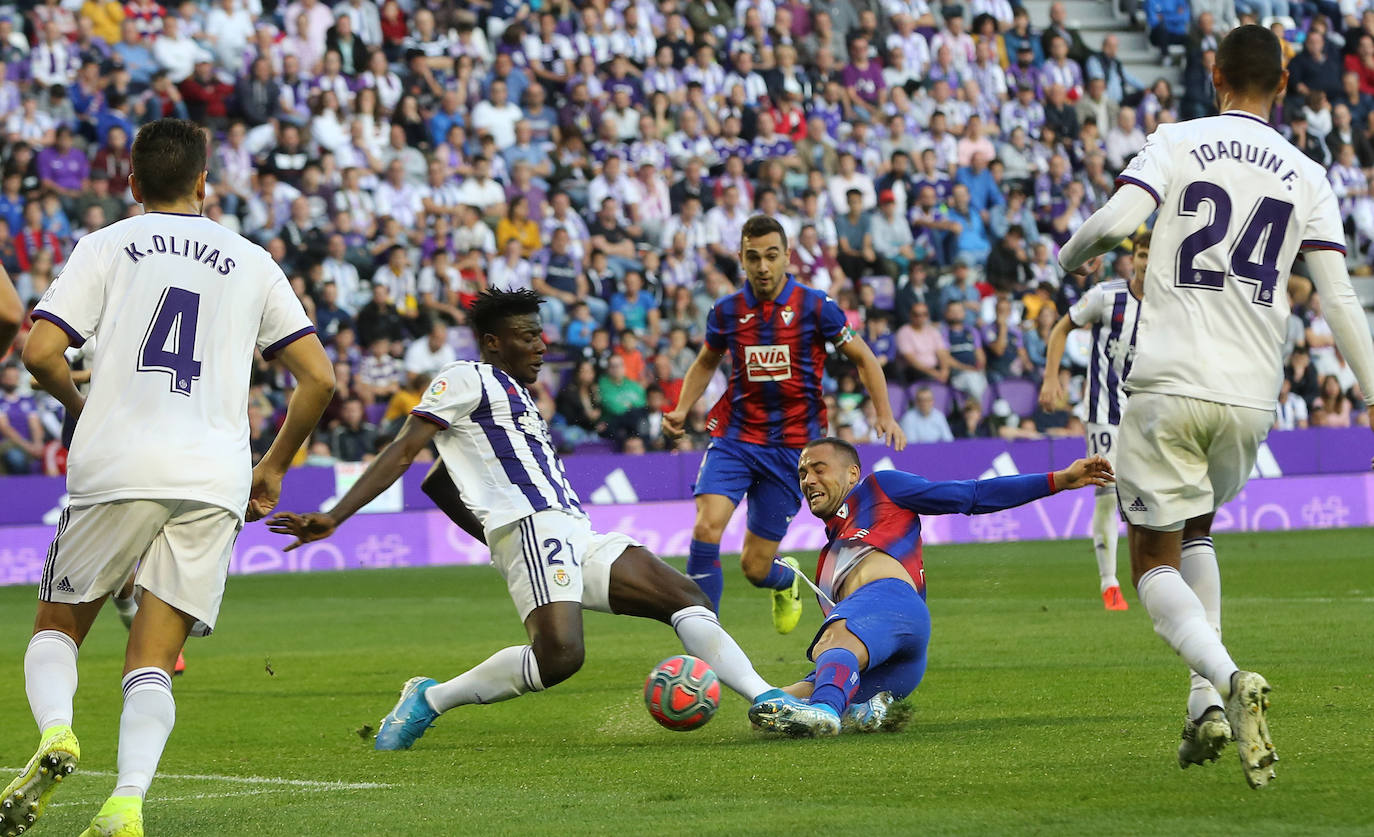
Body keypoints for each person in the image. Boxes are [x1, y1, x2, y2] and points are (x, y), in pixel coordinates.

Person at [1055, 26, 1374, 788]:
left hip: (1168, 382)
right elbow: (1340, 302)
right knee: (1196, 527)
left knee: (1150, 555)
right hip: (1251, 399)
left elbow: (1112, 223)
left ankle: (1230, 677)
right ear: (1286, 82)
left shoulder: (1178, 139)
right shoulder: (1308, 173)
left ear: (1213, 72)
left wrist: (1068, 259)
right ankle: (1203, 706)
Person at [268, 289, 791, 750]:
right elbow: (406, 452)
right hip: (536, 526)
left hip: (573, 529)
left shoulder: (518, 396)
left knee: (687, 598)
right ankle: (430, 699)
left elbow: (437, 484)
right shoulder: (466, 378)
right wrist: (336, 516)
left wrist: (492, 538)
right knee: (560, 657)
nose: (541, 346)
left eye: (541, 336)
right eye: (528, 336)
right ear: (494, 342)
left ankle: (767, 699)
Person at [1, 119, 334, 837]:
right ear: (204, 183)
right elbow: (319, 378)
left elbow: (39, 349)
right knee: (152, 656)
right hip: (213, 475)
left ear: (131, 182)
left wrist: (81, 404)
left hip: (118, 460)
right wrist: (273, 464)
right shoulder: (251, 259)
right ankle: (126, 801)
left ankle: (57, 731)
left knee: (58, 622)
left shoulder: (107, 243)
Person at [747, 437, 1113, 736]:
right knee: (768, 709)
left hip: (893, 604)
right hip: (897, 662)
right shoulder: (826, 562)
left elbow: (970, 495)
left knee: (833, 647)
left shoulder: (880, 488)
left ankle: (830, 711)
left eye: (818, 469)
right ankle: (863, 710)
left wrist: (1059, 480)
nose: (808, 479)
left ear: (852, 472)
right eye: (802, 474)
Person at [662, 216, 906, 635]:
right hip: (736, 437)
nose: (762, 266)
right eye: (753, 257)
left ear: (787, 257)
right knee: (706, 526)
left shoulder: (816, 307)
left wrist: (884, 412)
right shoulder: (726, 311)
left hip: (793, 449)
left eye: (771, 256)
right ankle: (705, 638)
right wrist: (683, 407)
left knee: (756, 568)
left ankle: (786, 579)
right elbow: (706, 361)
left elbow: (865, 358)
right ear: (740, 259)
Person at [1039, 232, 1148, 612]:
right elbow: (1061, 328)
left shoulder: (1170, 304)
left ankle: (1148, 573)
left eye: (1154, 255)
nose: (1147, 262)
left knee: (1145, 496)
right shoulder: (1106, 296)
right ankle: (1109, 583)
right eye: (1142, 254)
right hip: (1104, 411)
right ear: (1133, 258)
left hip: (1148, 413)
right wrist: (1051, 378)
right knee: (1105, 492)